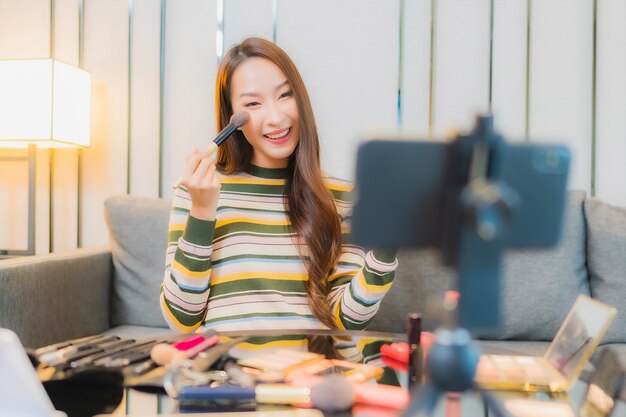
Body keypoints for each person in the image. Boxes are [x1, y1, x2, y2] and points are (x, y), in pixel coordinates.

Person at [159, 37, 398, 359]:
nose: (275, 117)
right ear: (232, 119)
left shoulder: (342, 197)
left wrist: (387, 247)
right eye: (253, 104)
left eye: (285, 95)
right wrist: (202, 211)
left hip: (313, 379)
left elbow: (346, 319)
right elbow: (182, 320)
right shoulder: (199, 192)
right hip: (230, 383)